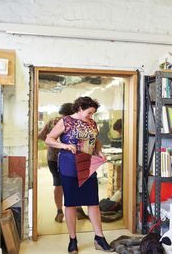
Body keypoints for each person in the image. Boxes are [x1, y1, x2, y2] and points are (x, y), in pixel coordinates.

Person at [46, 97, 111, 253]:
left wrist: (100, 153)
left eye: (93, 113)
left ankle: (99, 238)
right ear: (80, 108)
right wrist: (64, 145)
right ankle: (73, 239)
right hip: (69, 165)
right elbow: (49, 139)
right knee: (71, 203)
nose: (91, 116)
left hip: (88, 165)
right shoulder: (65, 121)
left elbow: (95, 142)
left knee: (93, 202)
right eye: (89, 112)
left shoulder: (92, 123)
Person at [38, 103, 89, 223]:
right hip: (71, 158)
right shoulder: (75, 122)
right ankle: (78, 209)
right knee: (74, 183)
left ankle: (59, 211)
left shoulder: (52, 121)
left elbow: (40, 136)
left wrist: (52, 140)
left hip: (53, 158)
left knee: (58, 184)